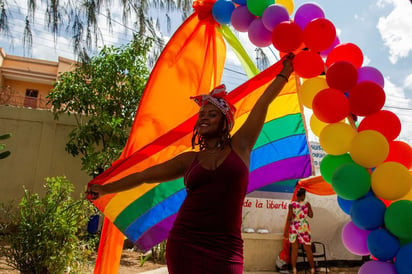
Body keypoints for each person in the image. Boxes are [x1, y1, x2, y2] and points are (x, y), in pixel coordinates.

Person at [88, 53, 294, 273]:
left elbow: (263, 103)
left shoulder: (240, 146)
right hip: (186, 242)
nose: (203, 117)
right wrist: (105, 189)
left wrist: (285, 72)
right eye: (201, 115)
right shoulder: (190, 160)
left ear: (225, 121)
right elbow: (145, 176)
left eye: (211, 114)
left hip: (226, 247)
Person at [285, 188, 315, 274]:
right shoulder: (307, 204)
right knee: (308, 249)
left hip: (294, 227)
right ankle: (312, 269)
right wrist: (308, 208)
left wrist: (286, 232)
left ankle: (294, 269)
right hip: (304, 227)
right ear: (303, 195)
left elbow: (289, 219)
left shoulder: (291, 205)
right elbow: (311, 215)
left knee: (294, 250)